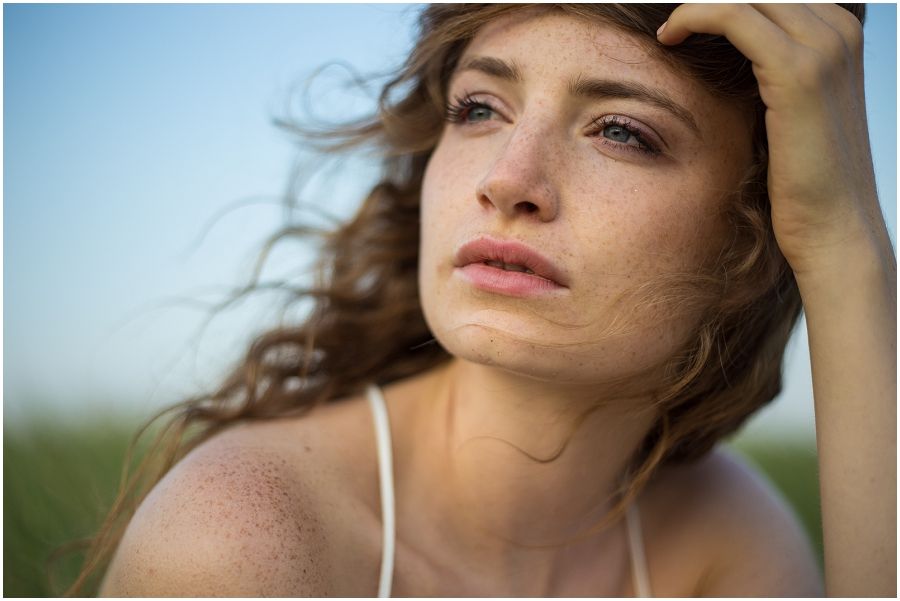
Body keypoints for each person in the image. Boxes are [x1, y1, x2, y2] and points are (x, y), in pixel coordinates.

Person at [78, 4, 894, 597]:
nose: (508, 178)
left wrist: (845, 250)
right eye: (479, 109)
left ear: (755, 230)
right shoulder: (245, 541)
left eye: (620, 131)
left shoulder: (725, 542)